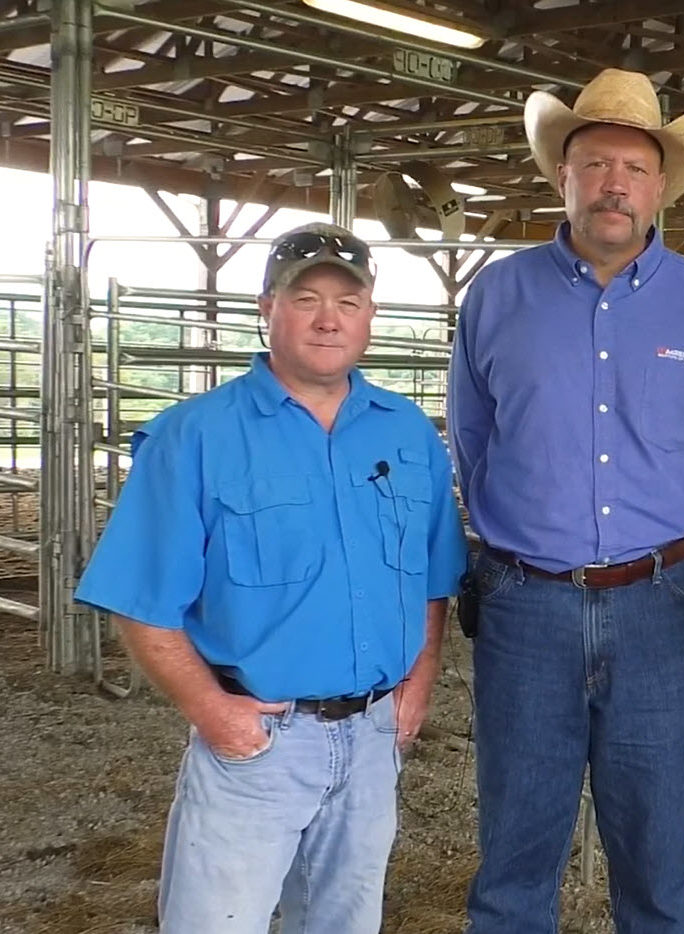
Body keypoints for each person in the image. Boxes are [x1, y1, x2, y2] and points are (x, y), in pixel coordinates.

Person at [73, 222, 468, 933]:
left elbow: (433, 579)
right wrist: (212, 712)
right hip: (259, 740)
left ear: (371, 313)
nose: (327, 319)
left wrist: (418, 685)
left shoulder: (407, 433)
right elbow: (139, 599)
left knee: (345, 922)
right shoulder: (194, 436)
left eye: (347, 303)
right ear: (267, 307)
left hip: (375, 738)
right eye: (305, 297)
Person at [449, 67, 684, 934]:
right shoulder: (498, 295)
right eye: (595, 163)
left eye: (633, 165)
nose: (614, 182)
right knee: (515, 848)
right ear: (563, 176)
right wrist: (524, 532)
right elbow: (472, 437)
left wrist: (674, 538)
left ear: (661, 185)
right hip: (526, 604)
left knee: (656, 855)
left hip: (659, 603)